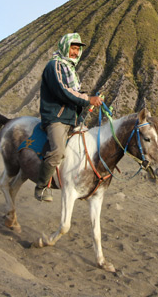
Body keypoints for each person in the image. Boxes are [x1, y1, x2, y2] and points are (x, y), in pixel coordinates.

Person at [34, 32, 103, 202]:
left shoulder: (70, 69)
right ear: (65, 47)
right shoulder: (54, 66)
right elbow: (63, 90)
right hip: (56, 118)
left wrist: (88, 99)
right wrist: (88, 99)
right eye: (73, 48)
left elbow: (75, 93)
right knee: (57, 152)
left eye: (78, 49)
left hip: (72, 119)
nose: (75, 52)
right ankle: (41, 187)